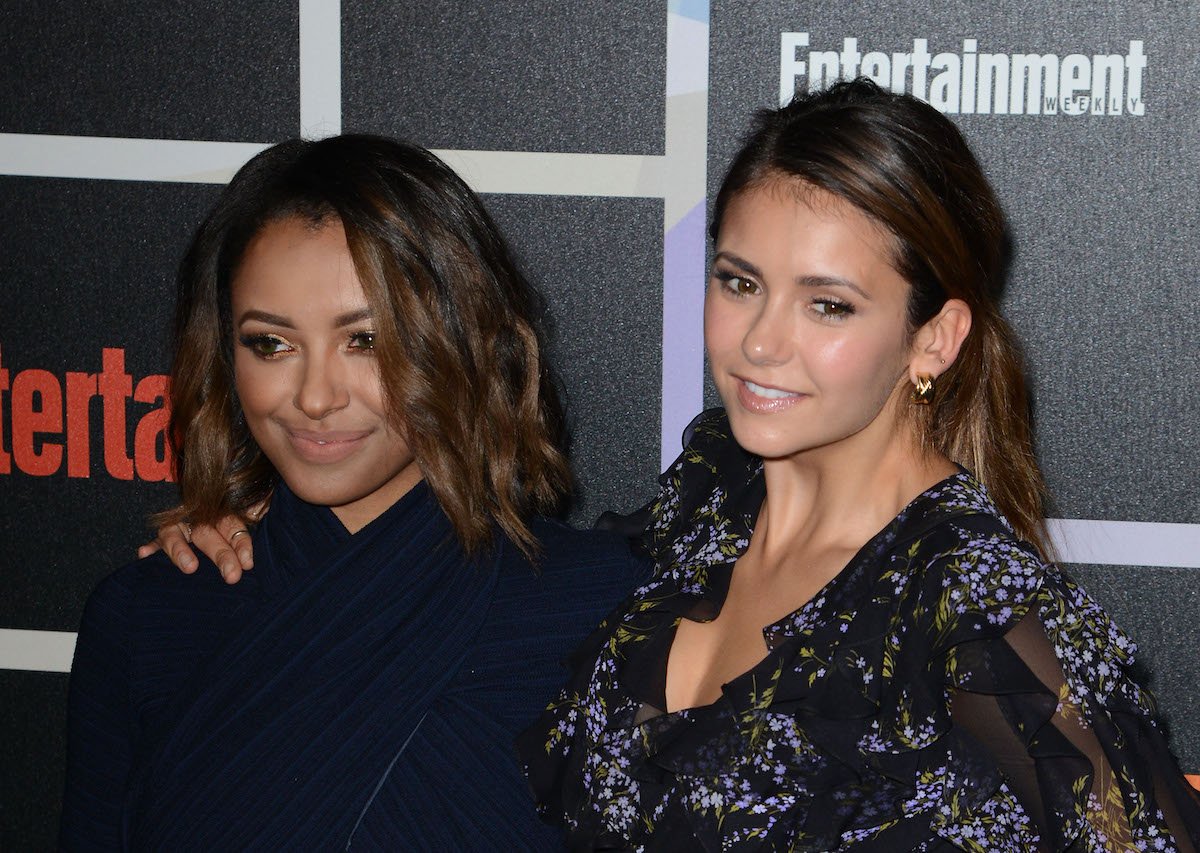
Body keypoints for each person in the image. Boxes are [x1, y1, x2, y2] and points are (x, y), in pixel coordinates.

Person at [150, 82, 1200, 850]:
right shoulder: (706, 504)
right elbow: (496, 571)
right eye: (741, 282)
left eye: (828, 304)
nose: (760, 343)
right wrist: (265, 538)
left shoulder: (969, 609)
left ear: (934, 339)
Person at [59, 134, 645, 850]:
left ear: (461, 338)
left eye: (364, 341)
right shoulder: (146, 617)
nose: (313, 396)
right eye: (271, 344)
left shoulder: (607, 611)